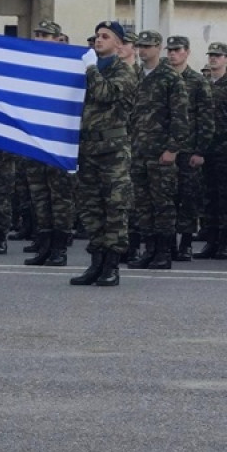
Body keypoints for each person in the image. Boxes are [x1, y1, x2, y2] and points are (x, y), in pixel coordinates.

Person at [70, 21, 137, 286]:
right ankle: (95, 263)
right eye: (97, 36)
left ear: (118, 43)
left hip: (113, 151)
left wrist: (89, 69)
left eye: (105, 36)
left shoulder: (125, 71)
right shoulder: (87, 69)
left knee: (114, 208)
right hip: (87, 149)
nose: (98, 40)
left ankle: (111, 266)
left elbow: (105, 93)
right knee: (91, 208)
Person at [127, 30, 189, 270]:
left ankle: (164, 252)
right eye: (140, 46)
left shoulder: (170, 78)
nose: (142, 50)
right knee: (142, 203)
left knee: (162, 203)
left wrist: (172, 148)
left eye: (148, 46)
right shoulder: (136, 75)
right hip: (138, 150)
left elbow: (180, 117)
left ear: (158, 48)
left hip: (160, 152)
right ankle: (149, 249)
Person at [22, 21, 79, 267]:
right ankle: (43, 245)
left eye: (45, 35)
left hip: (59, 141)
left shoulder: (70, 66)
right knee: (39, 196)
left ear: (58, 39)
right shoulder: (27, 66)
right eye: (37, 34)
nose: (40, 38)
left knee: (60, 198)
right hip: (35, 142)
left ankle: (59, 248)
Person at [165, 35, 214, 261]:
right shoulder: (161, 77)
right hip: (164, 147)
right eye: (170, 50)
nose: (172, 54)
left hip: (188, 148)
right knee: (165, 197)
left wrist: (200, 150)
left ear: (186, 52)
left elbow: (206, 118)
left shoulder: (197, 81)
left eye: (177, 50)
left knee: (187, 197)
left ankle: (184, 242)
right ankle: (166, 243)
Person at [196, 42, 227, 260]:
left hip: (226, 150)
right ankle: (211, 240)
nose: (214, 59)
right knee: (208, 196)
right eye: (211, 55)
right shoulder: (202, 85)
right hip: (205, 149)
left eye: (218, 55)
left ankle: (225, 242)